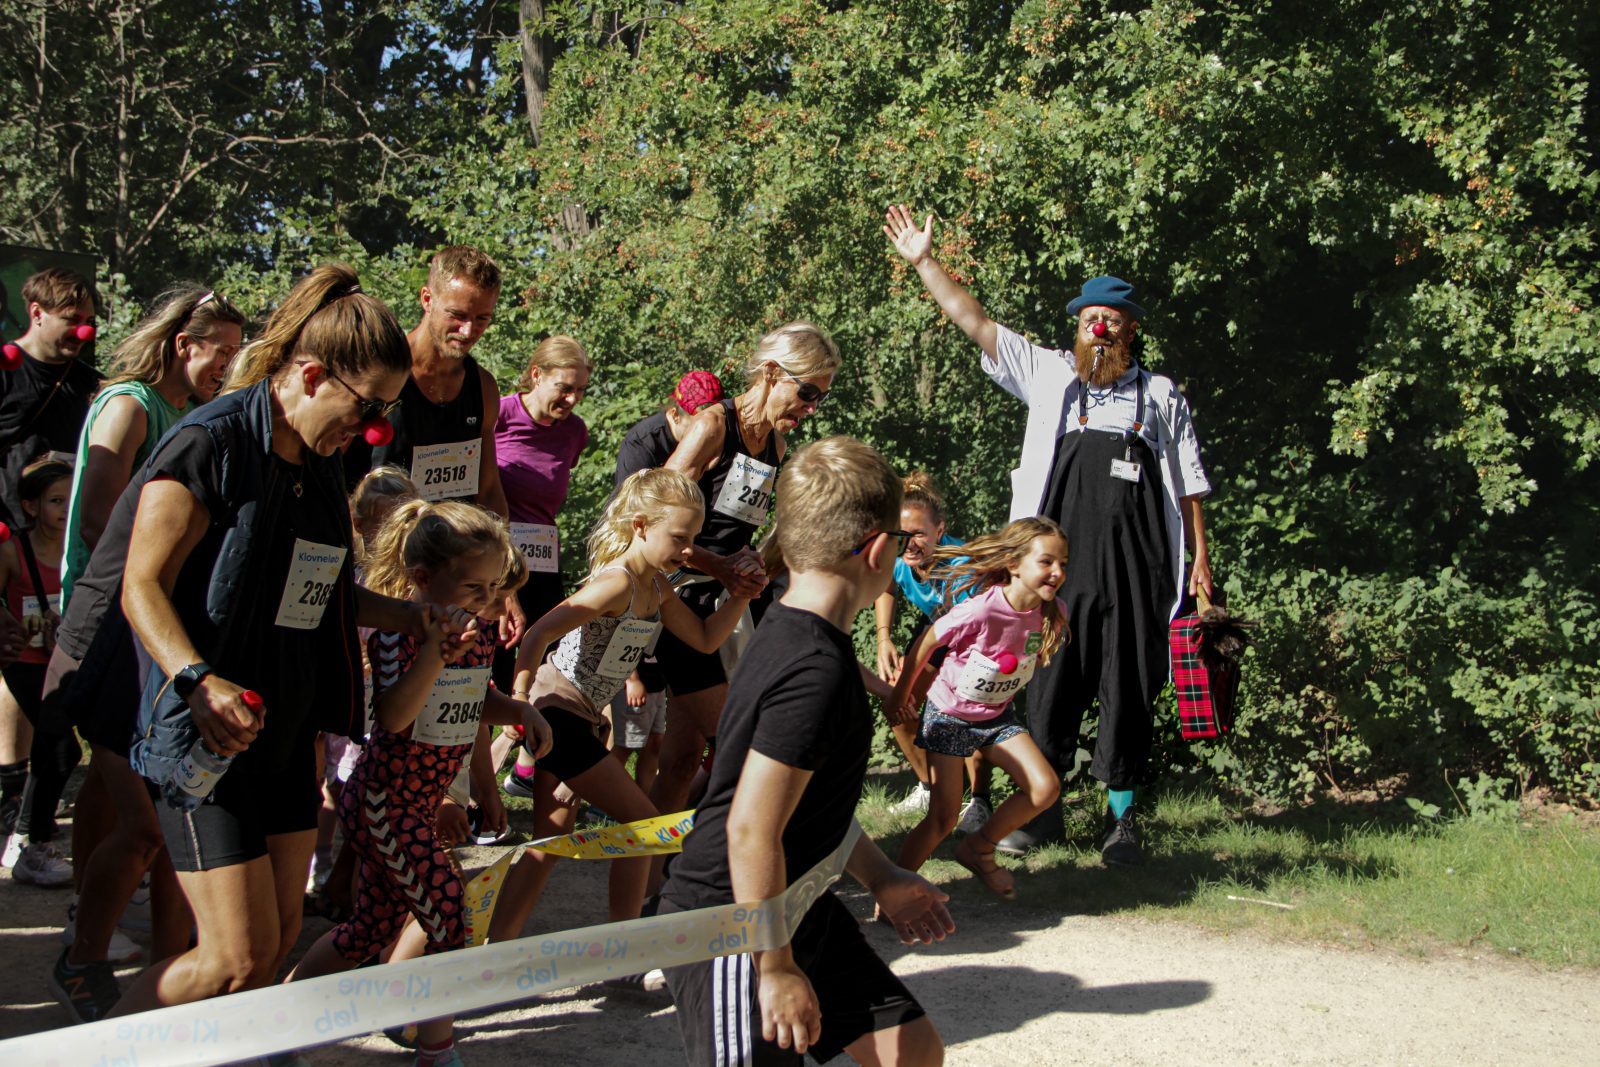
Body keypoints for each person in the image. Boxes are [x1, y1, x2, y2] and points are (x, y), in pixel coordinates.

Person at [101, 264, 471, 1018]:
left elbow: (329, 590)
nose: (372, 431)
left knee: (275, 947)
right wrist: (199, 681)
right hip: (206, 734)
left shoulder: (323, 465)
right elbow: (140, 585)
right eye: (366, 408)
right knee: (230, 957)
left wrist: (415, 618)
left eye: (385, 416)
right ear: (309, 374)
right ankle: (98, 1047)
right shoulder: (210, 442)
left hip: (285, 731)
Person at [883, 204, 1214, 864]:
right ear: (1079, 327)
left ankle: (1123, 822)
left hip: (1138, 565)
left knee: (1128, 687)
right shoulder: (1050, 373)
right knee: (1049, 681)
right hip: (1054, 567)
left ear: (1129, 329)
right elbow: (973, 321)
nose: (1100, 325)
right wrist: (924, 261)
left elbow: (1188, 485)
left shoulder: (1162, 396)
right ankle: (1044, 809)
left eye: (1112, 318)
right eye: (1090, 316)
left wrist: (1199, 558)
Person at [658, 435, 952, 1067]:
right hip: (733, 925)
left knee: (913, 1051)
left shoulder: (806, 635)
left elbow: (804, 807)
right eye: (899, 543)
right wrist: (775, 968)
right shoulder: (812, 669)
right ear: (877, 550)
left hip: (796, 903)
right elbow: (749, 829)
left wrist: (882, 875)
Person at [287, 499, 550, 1067]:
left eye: (491, 590)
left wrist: (520, 711)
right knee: (451, 913)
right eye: (471, 589)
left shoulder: (476, 637)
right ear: (424, 579)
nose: (483, 603)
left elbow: (475, 699)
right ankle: (436, 1050)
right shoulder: (399, 633)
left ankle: (277, 1021)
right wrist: (433, 652)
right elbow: (395, 715)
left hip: (420, 802)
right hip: (385, 803)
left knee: (368, 930)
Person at [49, 286, 244, 1007]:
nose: (226, 363)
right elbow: (103, 518)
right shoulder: (131, 403)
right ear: (179, 342)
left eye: (234, 350)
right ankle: (83, 954)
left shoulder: (200, 415)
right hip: (107, 630)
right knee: (141, 824)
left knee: (148, 815)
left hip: (154, 635)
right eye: (215, 348)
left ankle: (163, 961)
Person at [489, 468, 752, 947]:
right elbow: (537, 635)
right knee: (645, 826)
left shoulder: (658, 587)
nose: (687, 549)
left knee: (547, 846)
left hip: (582, 717)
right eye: (678, 537)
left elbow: (705, 638)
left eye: (693, 537)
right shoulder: (618, 583)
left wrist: (739, 596)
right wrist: (519, 705)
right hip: (554, 711)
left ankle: (492, 952)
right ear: (641, 526)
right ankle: (625, 954)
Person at [612, 325, 839, 829]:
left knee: (682, 760)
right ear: (772, 373)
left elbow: (738, 532)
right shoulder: (714, 425)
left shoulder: (775, 445)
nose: (812, 407)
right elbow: (652, 522)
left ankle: (654, 882)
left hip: (730, 606)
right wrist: (717, 565)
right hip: (681, 601)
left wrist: (753, 560)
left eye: (821, 397)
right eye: (807, 393)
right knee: (739, 745)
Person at [887, 518, 1068, 900]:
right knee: (943, 818)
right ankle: (893, 889)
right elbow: (926, 641)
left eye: (1063, 564)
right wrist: (901, 695)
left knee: (1044, 787)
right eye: (1047, 562)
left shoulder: (1053, 611)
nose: (1057, 572)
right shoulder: (981, 610)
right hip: (949, 715)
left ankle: (978, 847)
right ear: (1015, 565)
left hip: (996, 718)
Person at [492, 335, 592, 780]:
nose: (572, 399)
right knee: (495, 668)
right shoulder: (498, 414)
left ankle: (527, 771)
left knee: (541, 668)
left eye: (581, 391)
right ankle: (471, 782)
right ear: (537, 375)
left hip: (543, 565)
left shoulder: (575, 432)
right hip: (493, 563)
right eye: (565, 387)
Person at [871, 472, 990, 831]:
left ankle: (980, 801)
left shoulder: (961, 566)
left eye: (919, 534)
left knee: (967, 714)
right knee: (896, 701)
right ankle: (928, 786)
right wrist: (883, 637)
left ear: (940, 530)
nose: (909, 543)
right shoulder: (898, 556)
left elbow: (968, 630)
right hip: (936, 631)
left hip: (975, 638)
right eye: (903, 534)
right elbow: (886, 586)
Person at [0, 459, 77, 886]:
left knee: (56, 751)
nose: (65, 508)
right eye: (55, 501)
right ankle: (32, 840)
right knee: (60, 747)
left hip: (65, 662)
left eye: (71, 498)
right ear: (30, 507)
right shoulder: (13, 551)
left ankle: (27, 837)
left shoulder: (79, 548)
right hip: (26, 665)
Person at [0, 268, 101, 517]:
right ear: (37, 313)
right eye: (72, 319)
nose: (84, 332)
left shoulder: (94, 384)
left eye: (88, 322)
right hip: (7, 527)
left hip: (61, 533)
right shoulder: (4, 368)